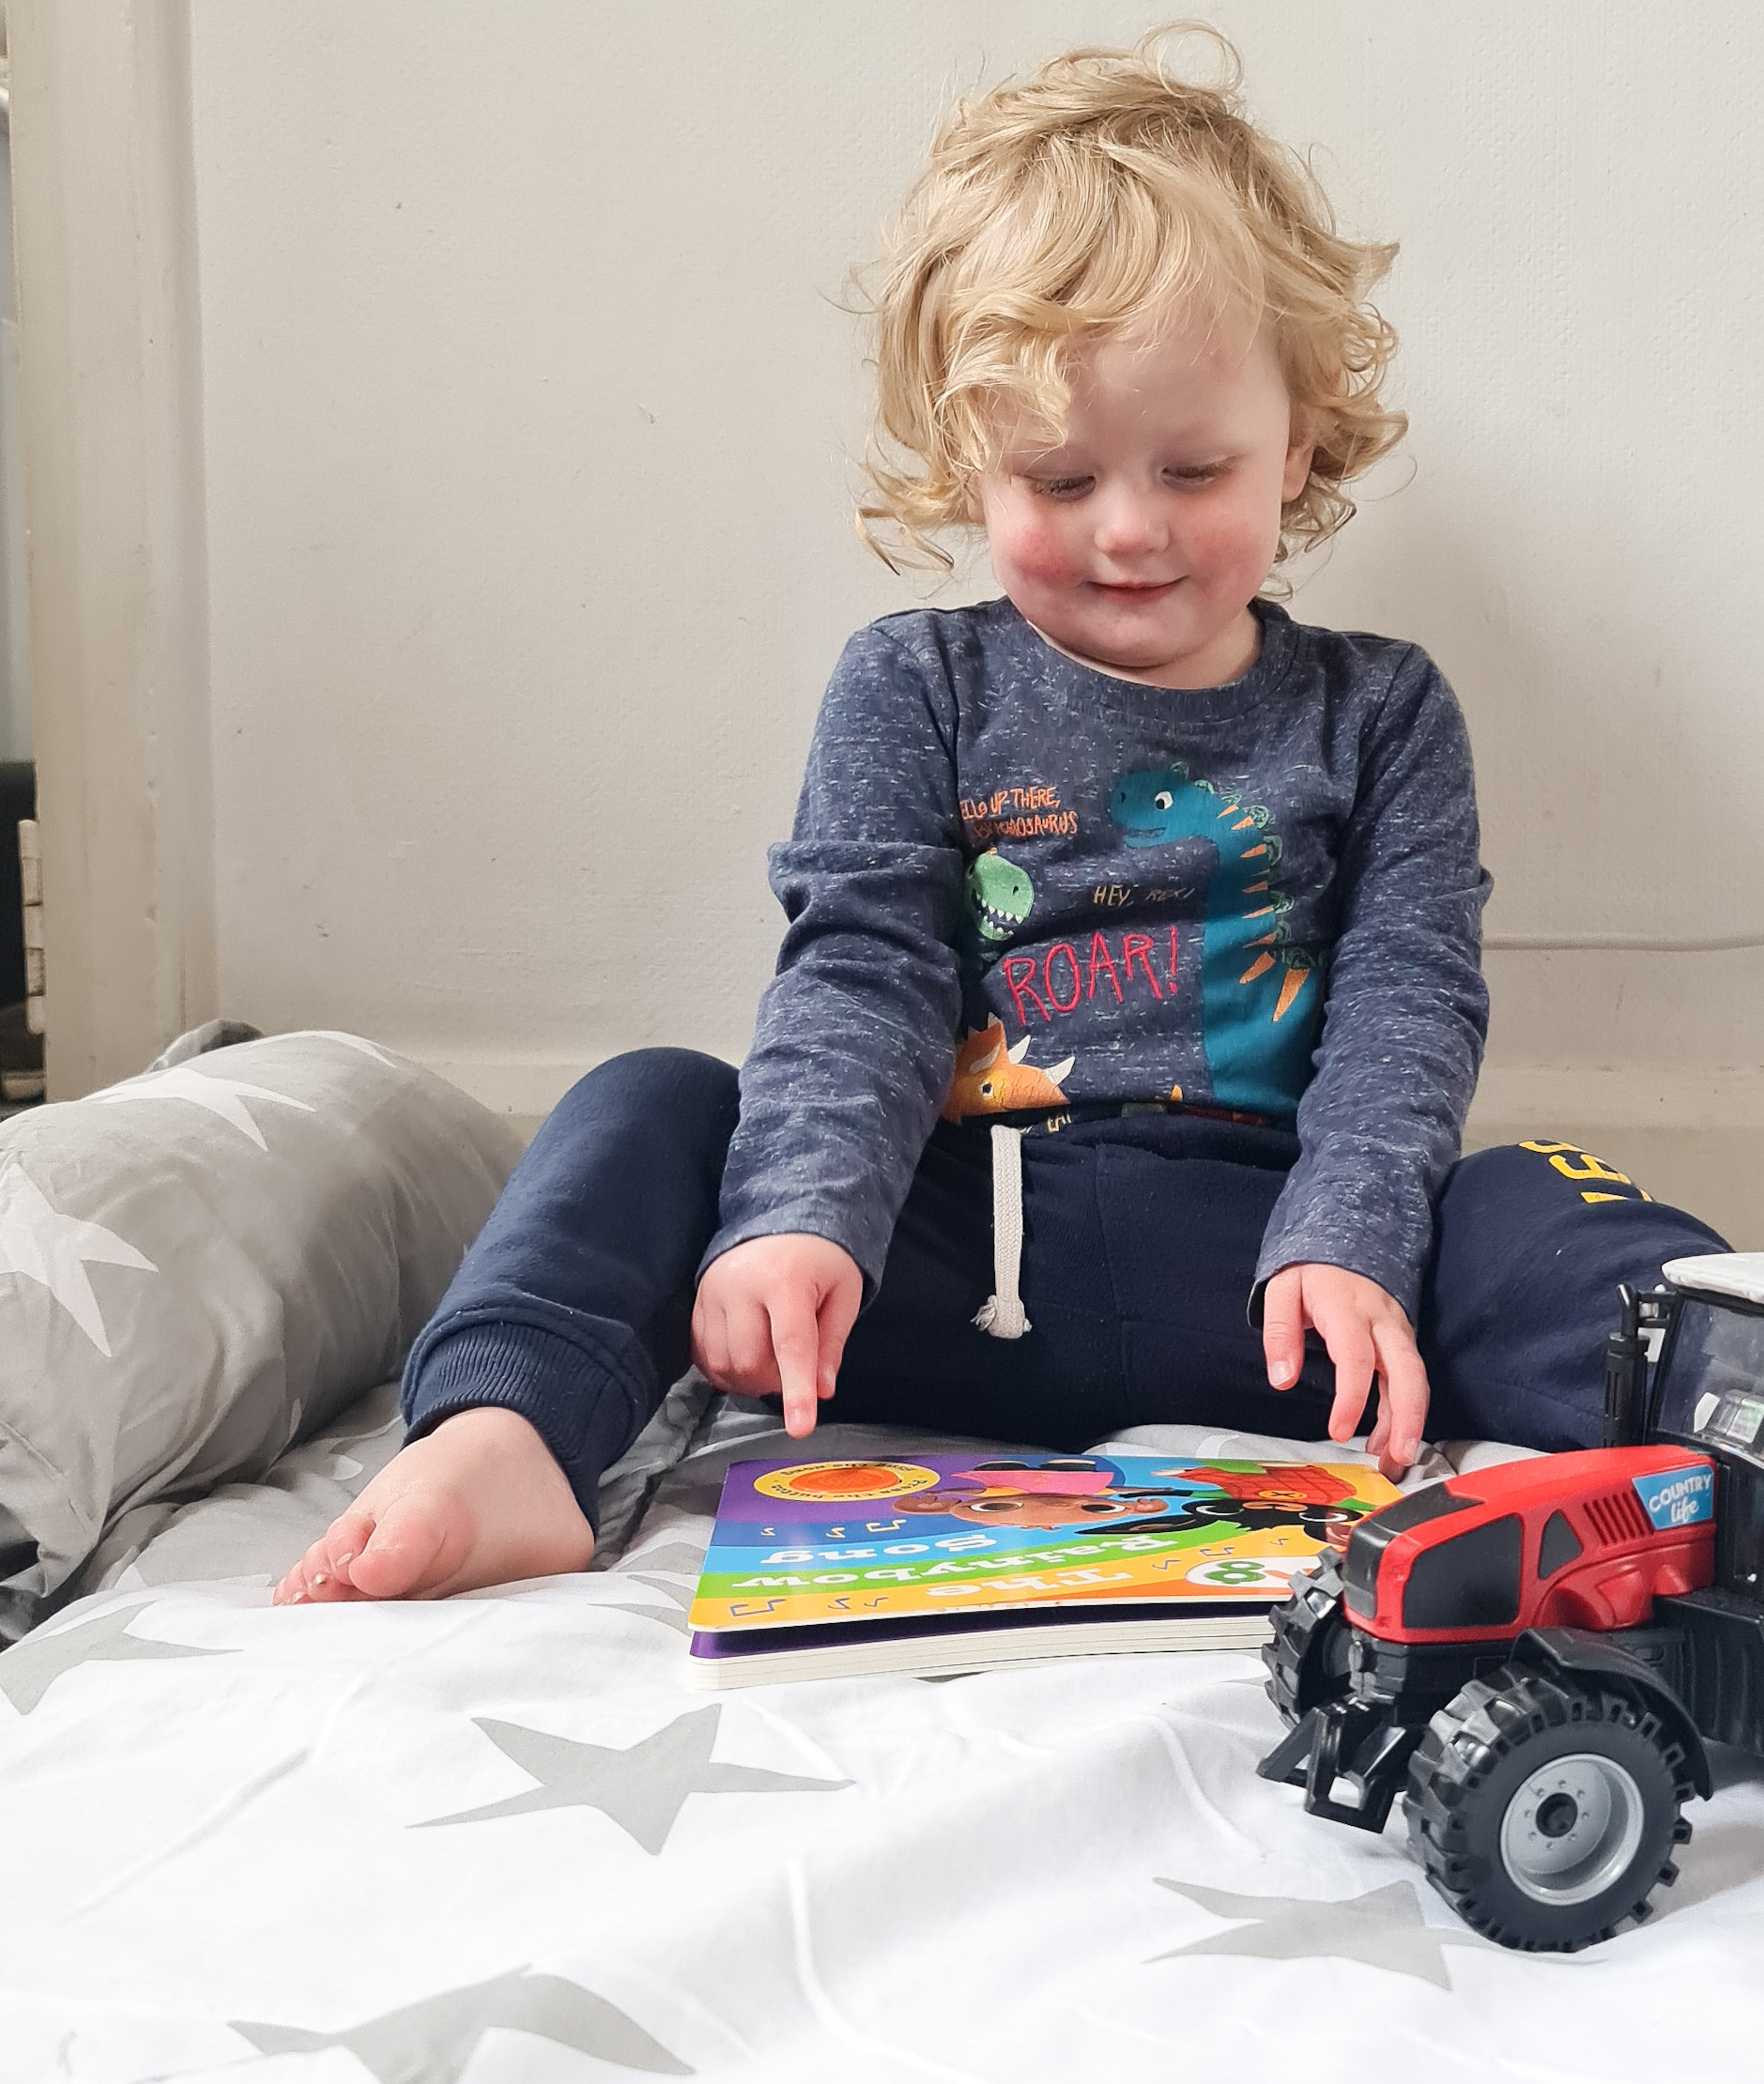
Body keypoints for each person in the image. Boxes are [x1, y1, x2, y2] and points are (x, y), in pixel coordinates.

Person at [274, 27, 1725, 1606]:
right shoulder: (914, 683)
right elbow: (863, 971)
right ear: (971, 468)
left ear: (1296, 446)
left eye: (1194, 469)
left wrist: (1351, 1235)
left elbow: (1407, 1003)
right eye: (1059, 478)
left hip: (1275, 1293)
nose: (1130, 530)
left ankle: (1729, 1429)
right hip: (946, 1278)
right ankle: (506, 1437)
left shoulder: (1383, 708)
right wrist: (800, 1224)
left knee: (1536, 1198)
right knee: (658, 1104)